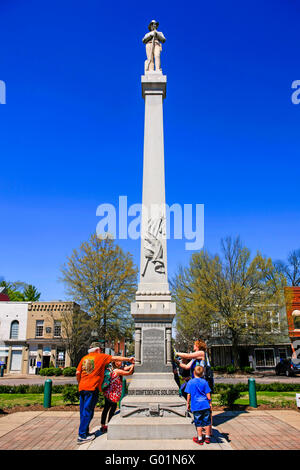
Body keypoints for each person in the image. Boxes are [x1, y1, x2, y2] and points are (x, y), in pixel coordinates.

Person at [76, 342, 134, 444]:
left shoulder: (84, 358)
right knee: (88, 411)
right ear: (97, 349)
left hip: (82, 387)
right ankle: (82, 436)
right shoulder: (100, 357)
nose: (102, 351)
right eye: (101, 349)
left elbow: (78, 373)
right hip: (92, 388)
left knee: (83, 411)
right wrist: (129, 359)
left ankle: (85, 432)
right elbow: (115, 358)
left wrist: (80, 382)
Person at [100, 359, 134, 432]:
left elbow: (125, 368)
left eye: (121, 361)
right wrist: (133, 366)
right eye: (119, 361)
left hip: (108, 392)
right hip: (112, 394)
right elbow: (129, 372)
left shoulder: (113, 369)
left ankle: (103, 425)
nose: (120, 362)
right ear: (115, 362)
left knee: (106, 408)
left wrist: (132, 364)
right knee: (112, 408)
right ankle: (109, 424)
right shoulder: (117, 371)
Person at [186, 365, 212, 445]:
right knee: (207, 422)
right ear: (202, 373)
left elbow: (189, 395)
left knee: (198, 423)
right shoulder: (204, 382)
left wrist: (188, 404)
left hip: (196, 406)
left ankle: (200, 438)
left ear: (194, 373)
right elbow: (208, 394)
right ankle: (207, 437)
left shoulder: (190, 382)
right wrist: (210, 403)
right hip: (205, 405)